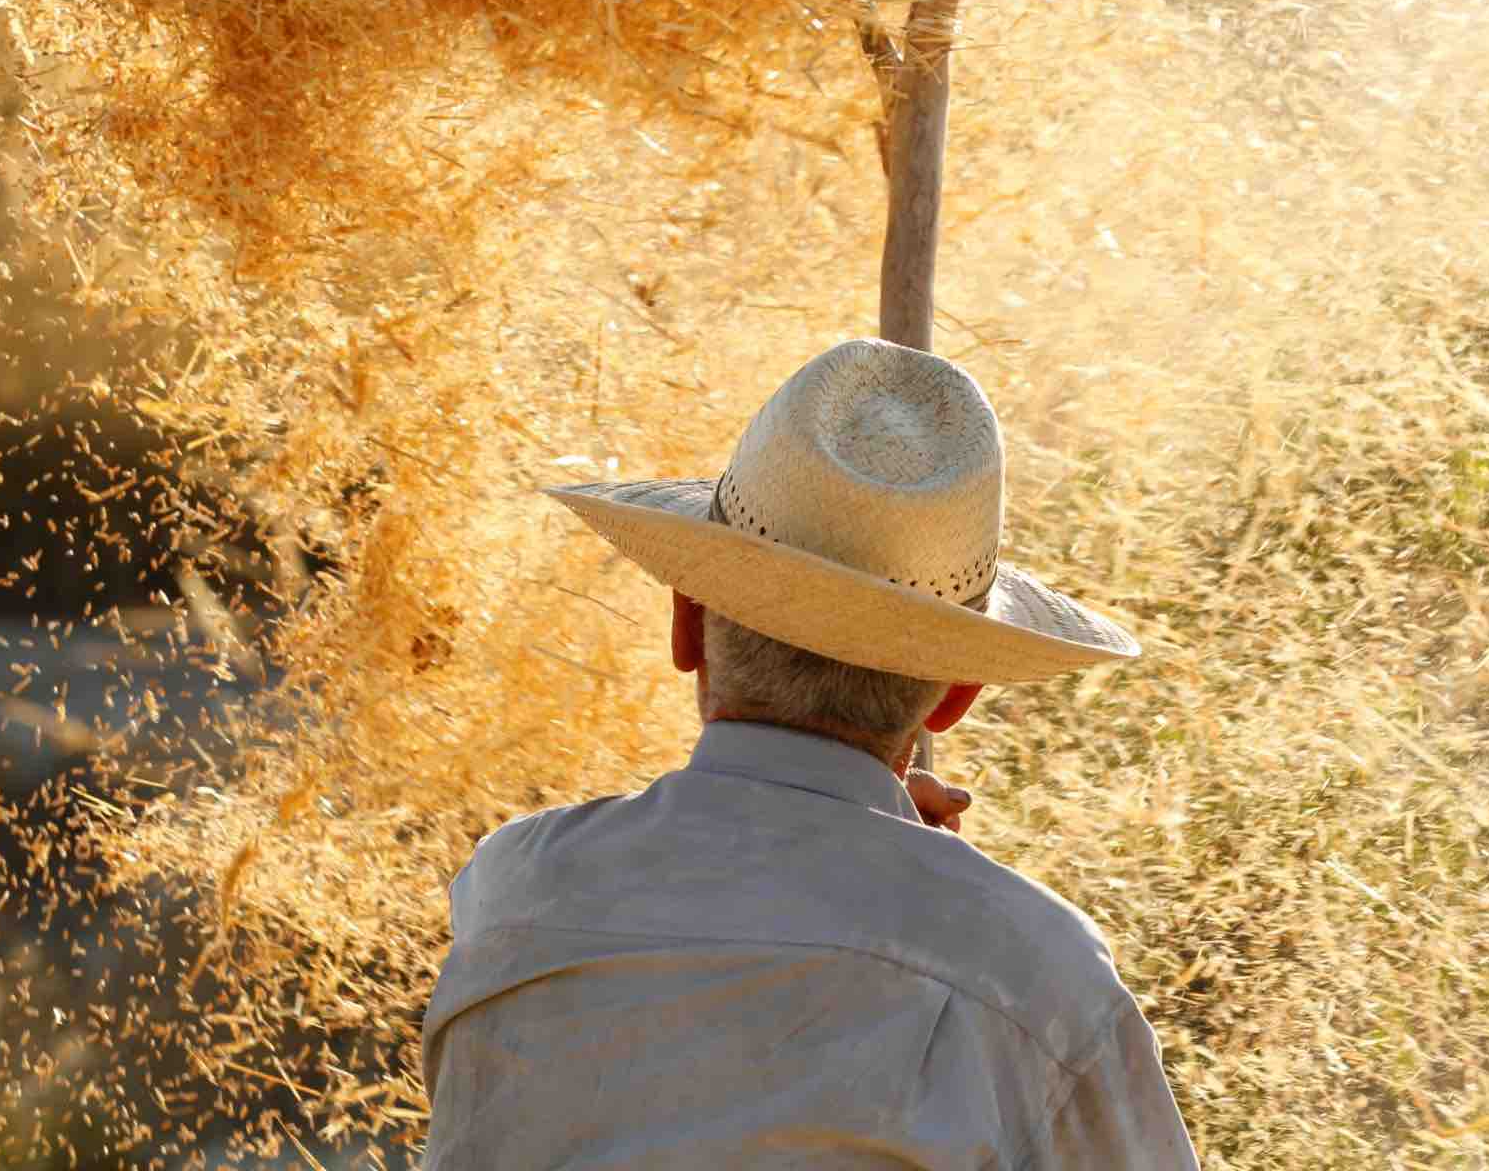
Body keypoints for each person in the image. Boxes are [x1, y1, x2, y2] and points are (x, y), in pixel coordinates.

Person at [422, 338, 1199, 1168]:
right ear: (958, 691)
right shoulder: (1036, 979)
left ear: (686, 627)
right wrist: (952, 903)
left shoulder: (512, 888)